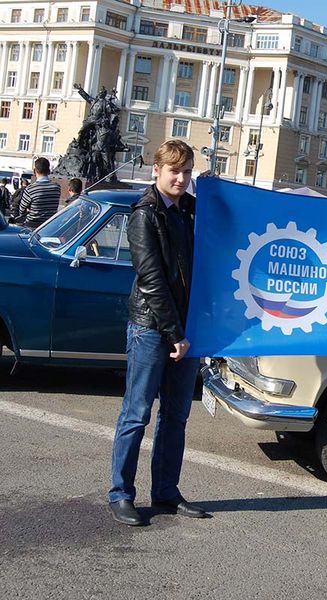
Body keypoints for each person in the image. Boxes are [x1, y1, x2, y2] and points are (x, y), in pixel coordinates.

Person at [108, 139, 208, 526]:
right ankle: (121, 493)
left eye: (187, 172)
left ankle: (166, 491)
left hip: (186, 329)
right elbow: (151, 280)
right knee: (136, 414)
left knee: (176, 417)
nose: (181, 178)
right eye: (174, 171)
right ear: (157, 170)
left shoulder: (190, 210)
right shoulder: (144, 214)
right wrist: (175, 334)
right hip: (152, 328)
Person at [18, 158, 61, 228]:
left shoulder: (30, 189)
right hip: (49, 225)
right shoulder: (57, 188)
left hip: (32, 225)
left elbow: (22, 210)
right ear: (49, 171)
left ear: (34, 171)